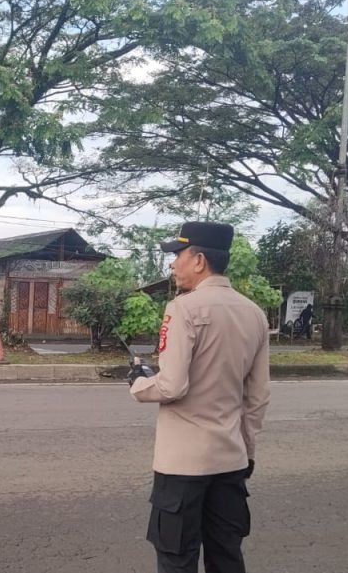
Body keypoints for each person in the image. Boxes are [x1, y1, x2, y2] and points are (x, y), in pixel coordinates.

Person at [130, 221, 271, 573]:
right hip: (230, 461)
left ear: (199, 260)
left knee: (177, 559)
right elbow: (257, 397)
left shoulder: (183, 309)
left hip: (183, 466)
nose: (172, 263)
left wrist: (137, 383)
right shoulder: (254, 314)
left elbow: (172, 385)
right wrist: (247, 452)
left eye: (178, 254)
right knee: (226, 557)